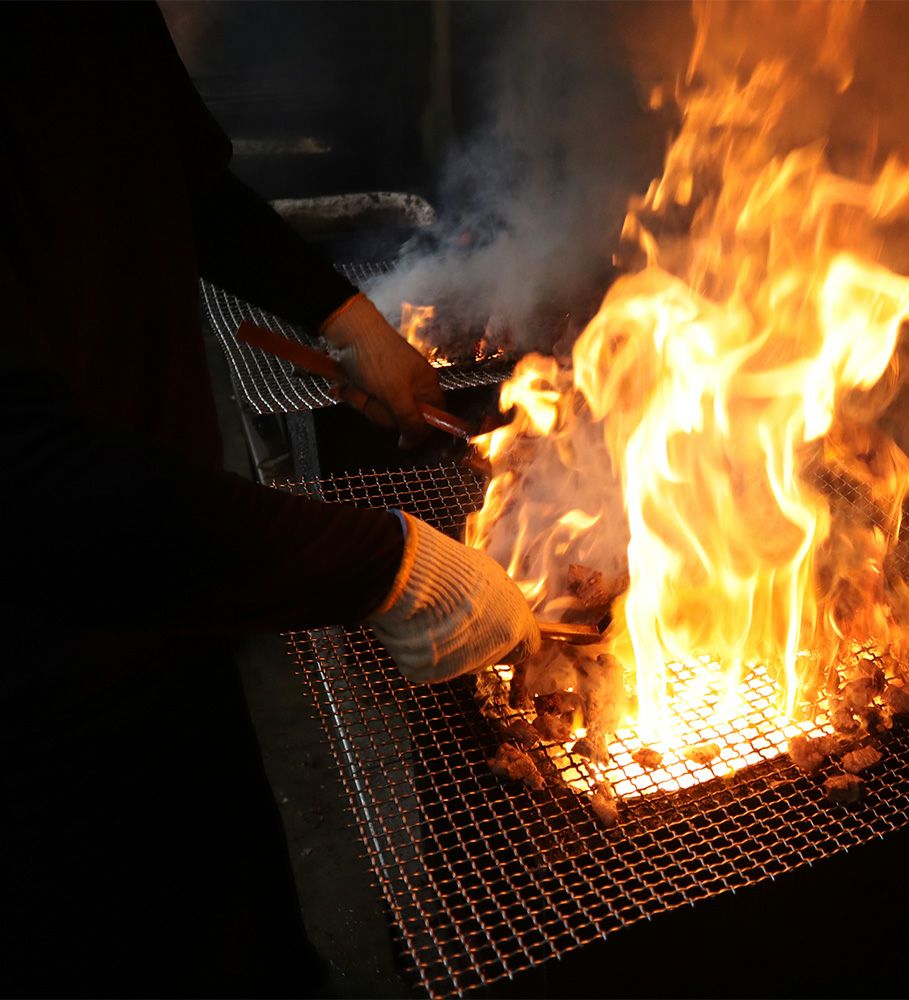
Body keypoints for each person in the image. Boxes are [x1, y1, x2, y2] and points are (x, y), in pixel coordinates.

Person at [0, 4, 538, 995]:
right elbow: (24, 476)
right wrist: (387, 564)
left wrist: (346, 318)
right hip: (31, 696)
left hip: (169, 602)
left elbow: (187, 185)